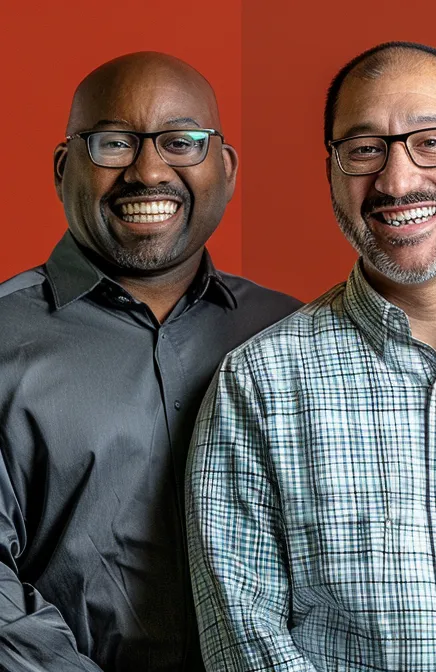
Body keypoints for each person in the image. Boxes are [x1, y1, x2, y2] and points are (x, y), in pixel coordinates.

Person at [186, 41, 436, 670]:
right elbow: (247, 646)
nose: (397, 179)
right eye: (364, 150)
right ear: (331, 173)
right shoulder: (260, 383)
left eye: (432, 140)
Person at [0, 52, 297, 672]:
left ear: (226, 167)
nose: (148, 170)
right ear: (63, 168)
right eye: (114, 143)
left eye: (182, 141)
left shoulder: (292, 335)